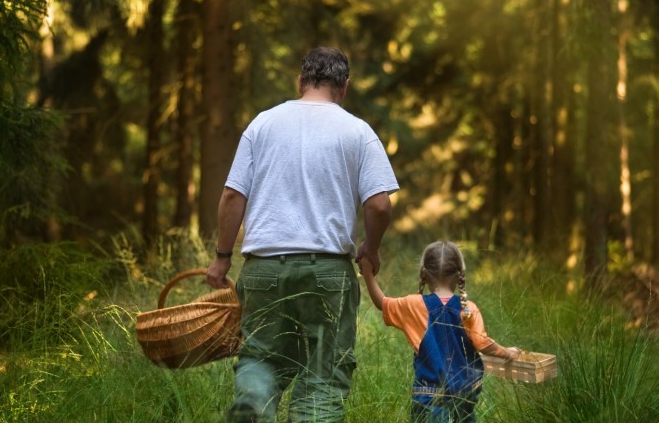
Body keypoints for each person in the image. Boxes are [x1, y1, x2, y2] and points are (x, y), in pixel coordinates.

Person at [205, 46, 399, 422]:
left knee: (261, 358)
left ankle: (254, 401)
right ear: (344, 88)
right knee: (324, 375)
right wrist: (370, 249)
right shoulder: (358, 131)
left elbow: (232, 195)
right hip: (327, 273)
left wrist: (222, 256)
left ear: (300, 82)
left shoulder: (262, 124)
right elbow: (379, 206)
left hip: (262, 270)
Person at [359, 240, 520, 423]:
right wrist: (508, 353)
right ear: (460, 275)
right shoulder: (468, 309)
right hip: (464, 393)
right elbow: (483, 344)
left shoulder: (414, 305)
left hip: (429, 396)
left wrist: (367, 273)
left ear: (424, 275)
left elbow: (382, 303)